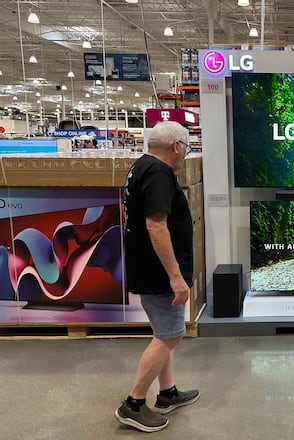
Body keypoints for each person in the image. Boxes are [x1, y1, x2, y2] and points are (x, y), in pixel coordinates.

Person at [115, 121, 198, 433]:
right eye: (186, 149)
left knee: (166, 330)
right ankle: (134, 403)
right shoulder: (159, 172)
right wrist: (176, 278)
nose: (185, 155)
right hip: (158, 272)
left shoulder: (141, 167)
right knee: (170, 335)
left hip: (146, 267)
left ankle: (167, 393)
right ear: (176, 146)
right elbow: (156, 225)